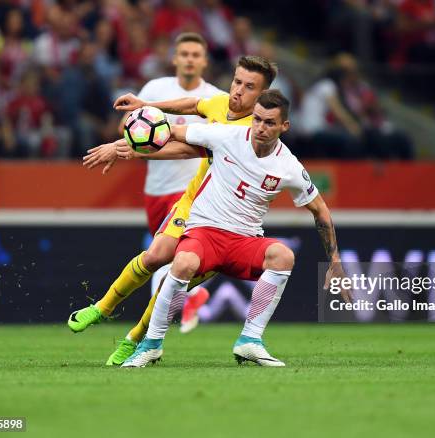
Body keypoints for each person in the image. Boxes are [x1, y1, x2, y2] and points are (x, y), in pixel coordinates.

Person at [116, 90, 351, 367]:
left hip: (244, 240)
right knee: (183, 261)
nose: (260, 128)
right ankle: (151, 345)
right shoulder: (226, 137)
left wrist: (334, 259)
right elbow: (171, 132)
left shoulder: (288, 166)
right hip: (205, 233)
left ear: (284, 126)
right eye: (258, 120)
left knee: (283, 256)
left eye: (269, 123)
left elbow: (320, 210)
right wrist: (127, 142)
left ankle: (250, 340)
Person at [69, 55, 278, 366]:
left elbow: (184, 149)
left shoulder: (248, 134)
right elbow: (194, 105)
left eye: (249, 88)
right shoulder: (221, 103)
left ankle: (135, 339)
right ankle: (102, 307)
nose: (237, 91)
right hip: (193, 201)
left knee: (171, 282)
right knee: (155, 256)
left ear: (261, 97)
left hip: (224, 225)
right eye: (237, 82)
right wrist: (147, 103)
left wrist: (130, 149)